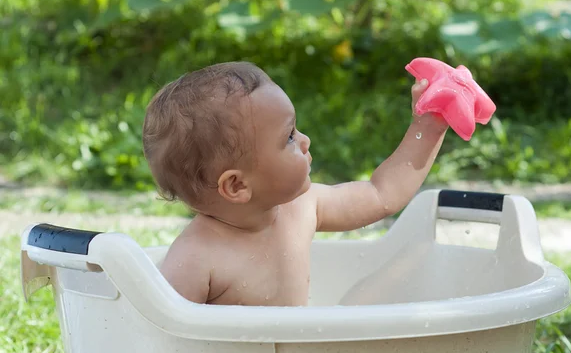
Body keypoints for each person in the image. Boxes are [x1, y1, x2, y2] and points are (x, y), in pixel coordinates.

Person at [142, 61, 448, 306]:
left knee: (374, 296)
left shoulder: (302, 207)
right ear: (236, 186)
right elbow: (164, 340)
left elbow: (382, 194)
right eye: (288, 136)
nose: (305, 141)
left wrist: (429, 125)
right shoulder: (195, 258)